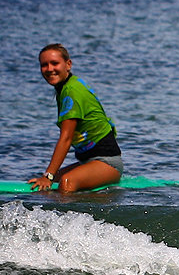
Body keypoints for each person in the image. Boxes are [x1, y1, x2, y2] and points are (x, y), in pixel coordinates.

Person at [27, 43, 123, 194]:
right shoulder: (67, 87)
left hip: (107, 162)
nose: (49, 69)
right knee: (52, 185)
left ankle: (81, 209)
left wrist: (48, 176)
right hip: (88, 161)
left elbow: (66, 138)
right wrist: (50, 178)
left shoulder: (72, 91)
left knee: (66, 182)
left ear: (68, 64)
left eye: (55, 63)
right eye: (44, 65)